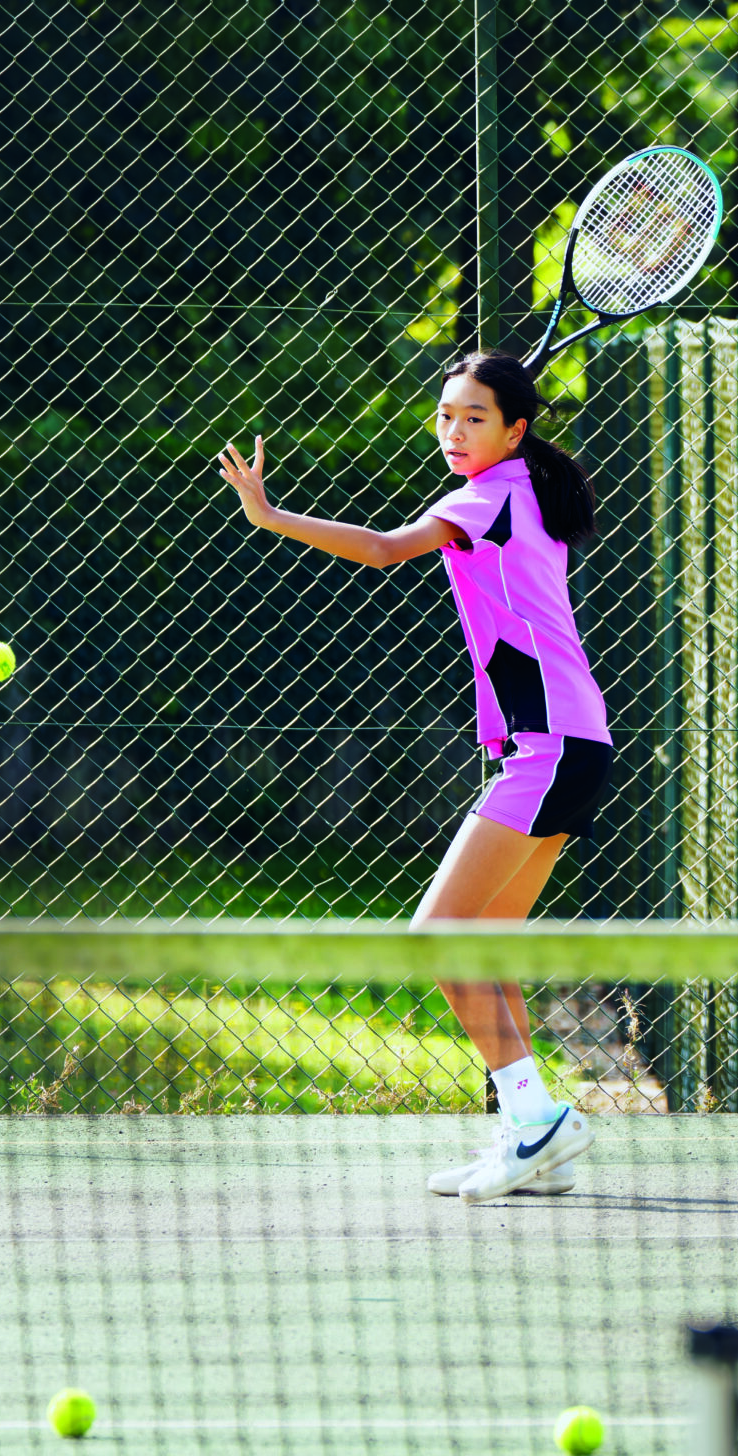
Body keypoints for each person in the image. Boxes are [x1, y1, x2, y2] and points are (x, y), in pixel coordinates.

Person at [216, 351, 613, 1205]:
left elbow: (385, 549)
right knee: (485, 943)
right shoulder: (529, 492)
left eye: (475, 416)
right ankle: (533, 1129)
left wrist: (270, 514)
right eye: (445, 416)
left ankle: (536, 1120)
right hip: (573, 740)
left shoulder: (490, 494)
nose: (454, 431)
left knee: (436, 933)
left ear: (516, 428)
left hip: (550, 744)